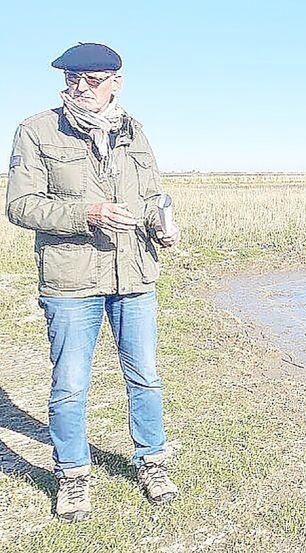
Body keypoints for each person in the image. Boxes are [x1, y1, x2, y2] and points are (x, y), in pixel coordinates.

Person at [5, 43, 181, 522]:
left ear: (115, 82)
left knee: (145, 377)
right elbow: (20, 206)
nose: (80, 87)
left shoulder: (134, 130)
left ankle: (152, 462)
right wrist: (87, 214)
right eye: (71, 79)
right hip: (70, 281)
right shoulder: (37, 130)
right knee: (70, 384)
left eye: (93, 79)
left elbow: (152, 196)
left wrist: (161, 225)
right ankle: (73, 474)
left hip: (135, 275)